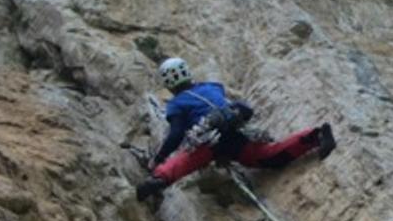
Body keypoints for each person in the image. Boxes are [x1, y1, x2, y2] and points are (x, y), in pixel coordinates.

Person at [136, 57, 335, 200]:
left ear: (168, 84)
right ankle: (315, 136)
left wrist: (160, 157)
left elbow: (176, 134)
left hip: (210, 139)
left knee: (187, 160)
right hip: (235, 132)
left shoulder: (176, 104)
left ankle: (158, 180)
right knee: (268, 156)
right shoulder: (212, 86)